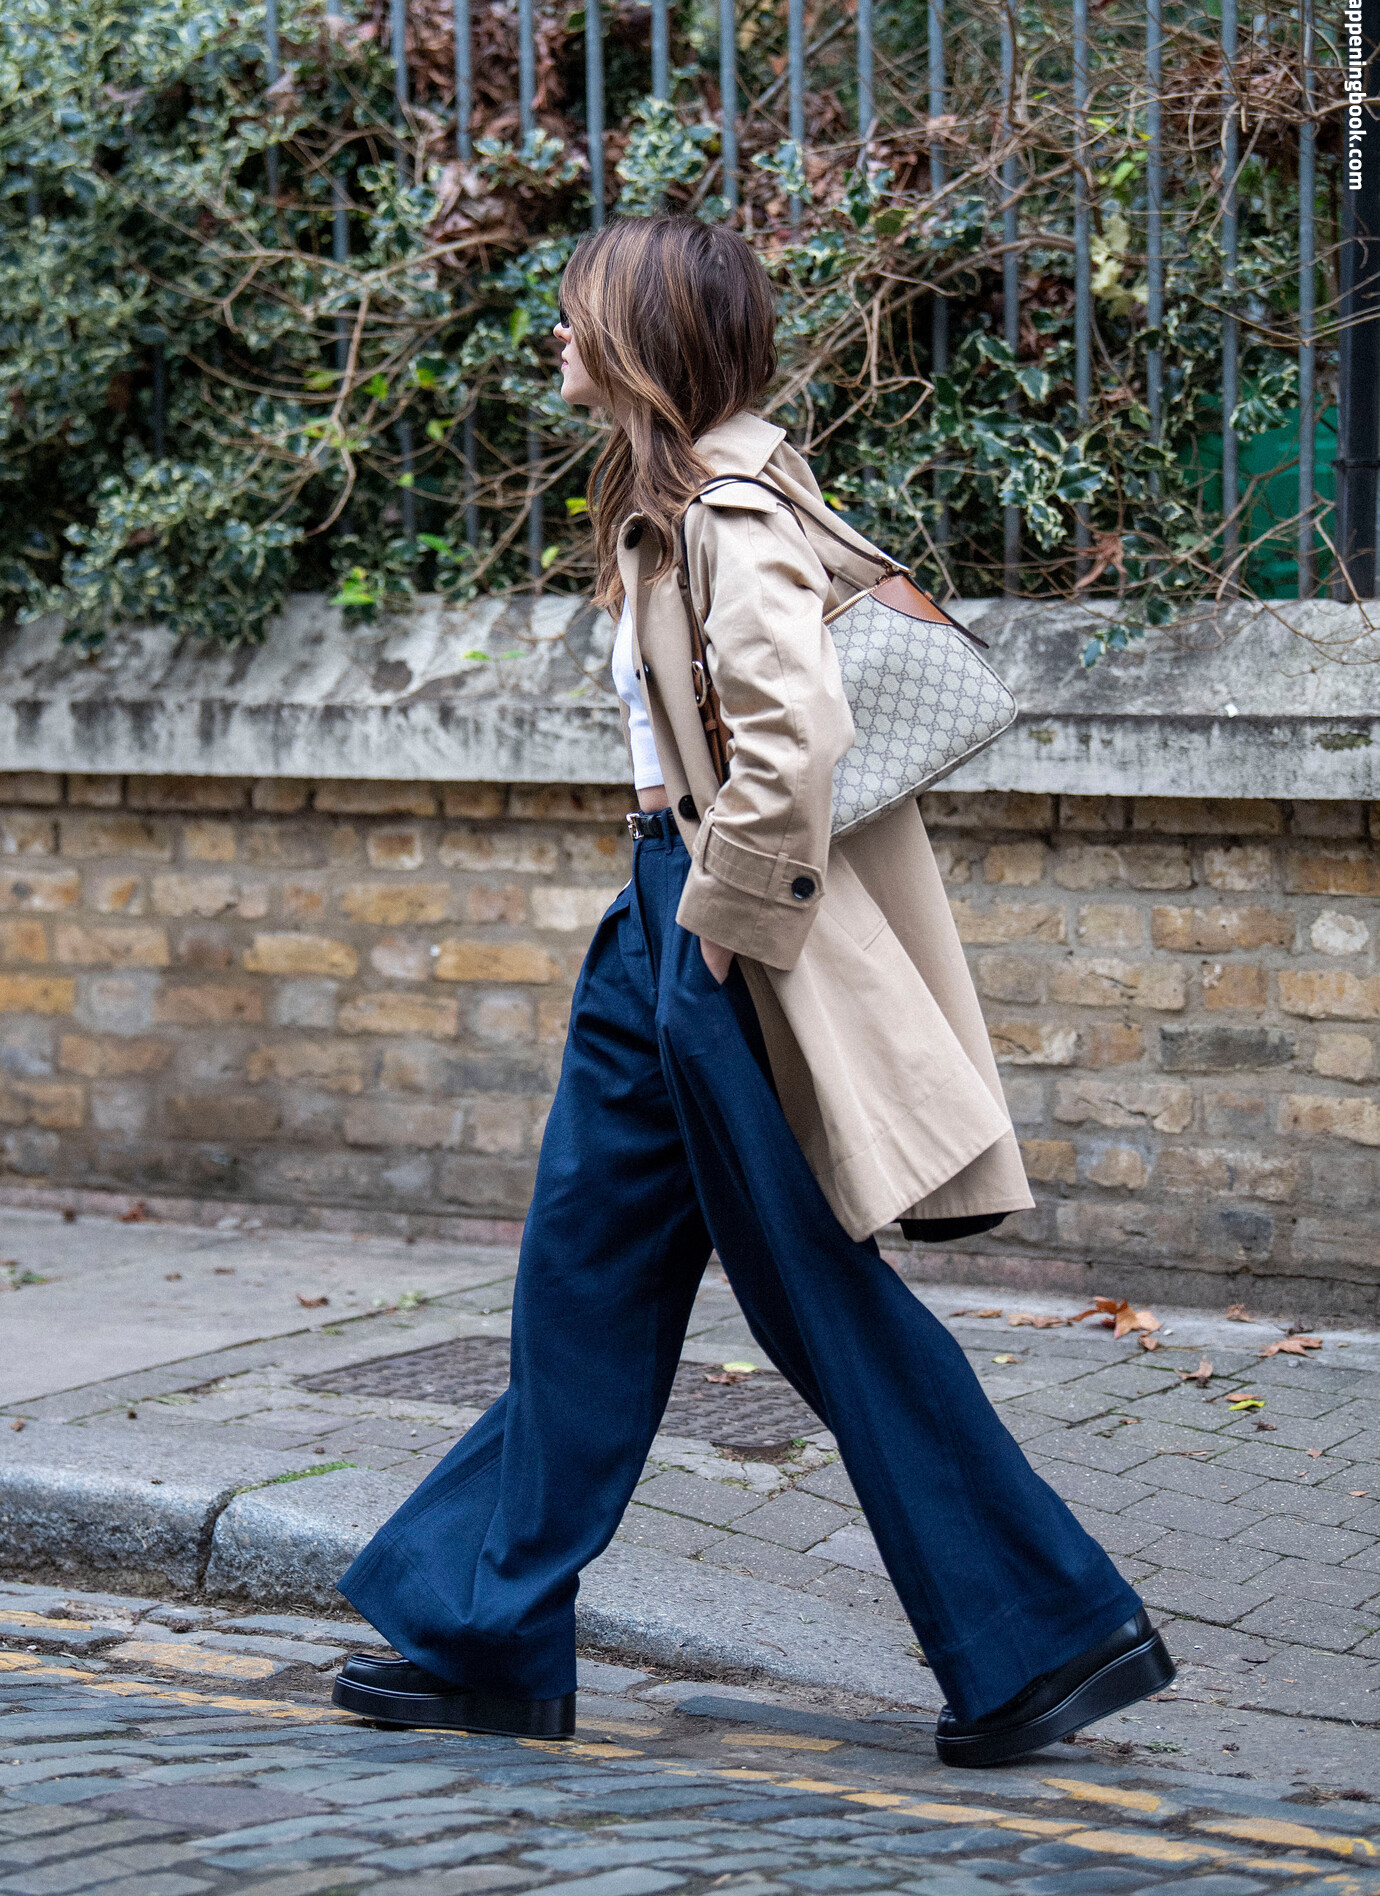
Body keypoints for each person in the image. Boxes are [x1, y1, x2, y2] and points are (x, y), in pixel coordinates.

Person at [333, 214, 1174, 1767]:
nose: (558, 338)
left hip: (714, 937)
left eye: (580, 315)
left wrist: (716, 936)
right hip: (655, 923)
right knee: (582, 1283)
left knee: (816, 1299)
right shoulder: (666, 503)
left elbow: (797, 738)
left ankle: (1042, 1635)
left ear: (643, 337)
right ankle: (487, 1630)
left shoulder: (729, 510)